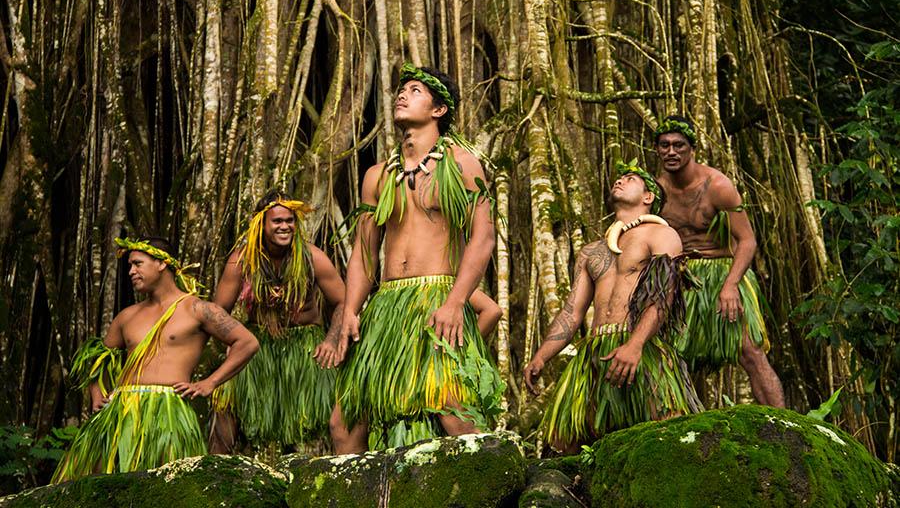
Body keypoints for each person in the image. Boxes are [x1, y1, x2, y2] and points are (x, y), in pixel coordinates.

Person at [329, 64, 502, 454]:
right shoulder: (377, 175)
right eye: (401, 89)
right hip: (387, 305)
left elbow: (483, 237)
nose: (402, 95)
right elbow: (364, 250)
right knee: (346, 418)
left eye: (416, 90)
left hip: (436, 298)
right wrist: (352, 309)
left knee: (455, 408)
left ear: (439, 110)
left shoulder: (461, 165)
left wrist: (456, 302)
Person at [523, 163, 702, 453]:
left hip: (641, 348)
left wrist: (635, 344)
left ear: (648, 197)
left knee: (669, 435)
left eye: (630, 179)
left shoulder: (661, 236)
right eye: (619, 177)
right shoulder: (591, 252)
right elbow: (572, 310)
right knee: (562, 446)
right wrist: (542, 357)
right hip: (594, 353)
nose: (619, 180)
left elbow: (663, 295)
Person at [53, 237, 259, 482]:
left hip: (168, 414)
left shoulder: (198, 309)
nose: (131, 271)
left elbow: (247, 343)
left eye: (138, 264)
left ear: (162, 264)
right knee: (101, 484)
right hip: (120, 414)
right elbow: (97, 359)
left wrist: (210, 382)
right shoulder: (127, 316)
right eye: (130, 266)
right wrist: (97, 394)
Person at [654, 116, 785, 407]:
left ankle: (784, 426)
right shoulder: (655, 191)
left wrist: (731, 285)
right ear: (658, 149)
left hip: (722, 272)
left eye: (679, 145)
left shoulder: (717, 185)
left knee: (750, 351)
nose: (671, 152)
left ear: (692, 149)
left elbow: (747, 240)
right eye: (664, 145)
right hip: (681, 276)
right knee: (672, 355)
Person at [208, 192, 346, 453]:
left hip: (306, 346)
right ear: (261, 224)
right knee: (225, 400)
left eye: (290, 220)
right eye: (277, 221)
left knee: (323, 411)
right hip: (257, 346)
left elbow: (343, 301)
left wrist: (331, 340)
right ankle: (216, 472)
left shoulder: (312, 257)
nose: (285, 226)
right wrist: (231, 340)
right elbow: (217, 312)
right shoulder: (242, 260)